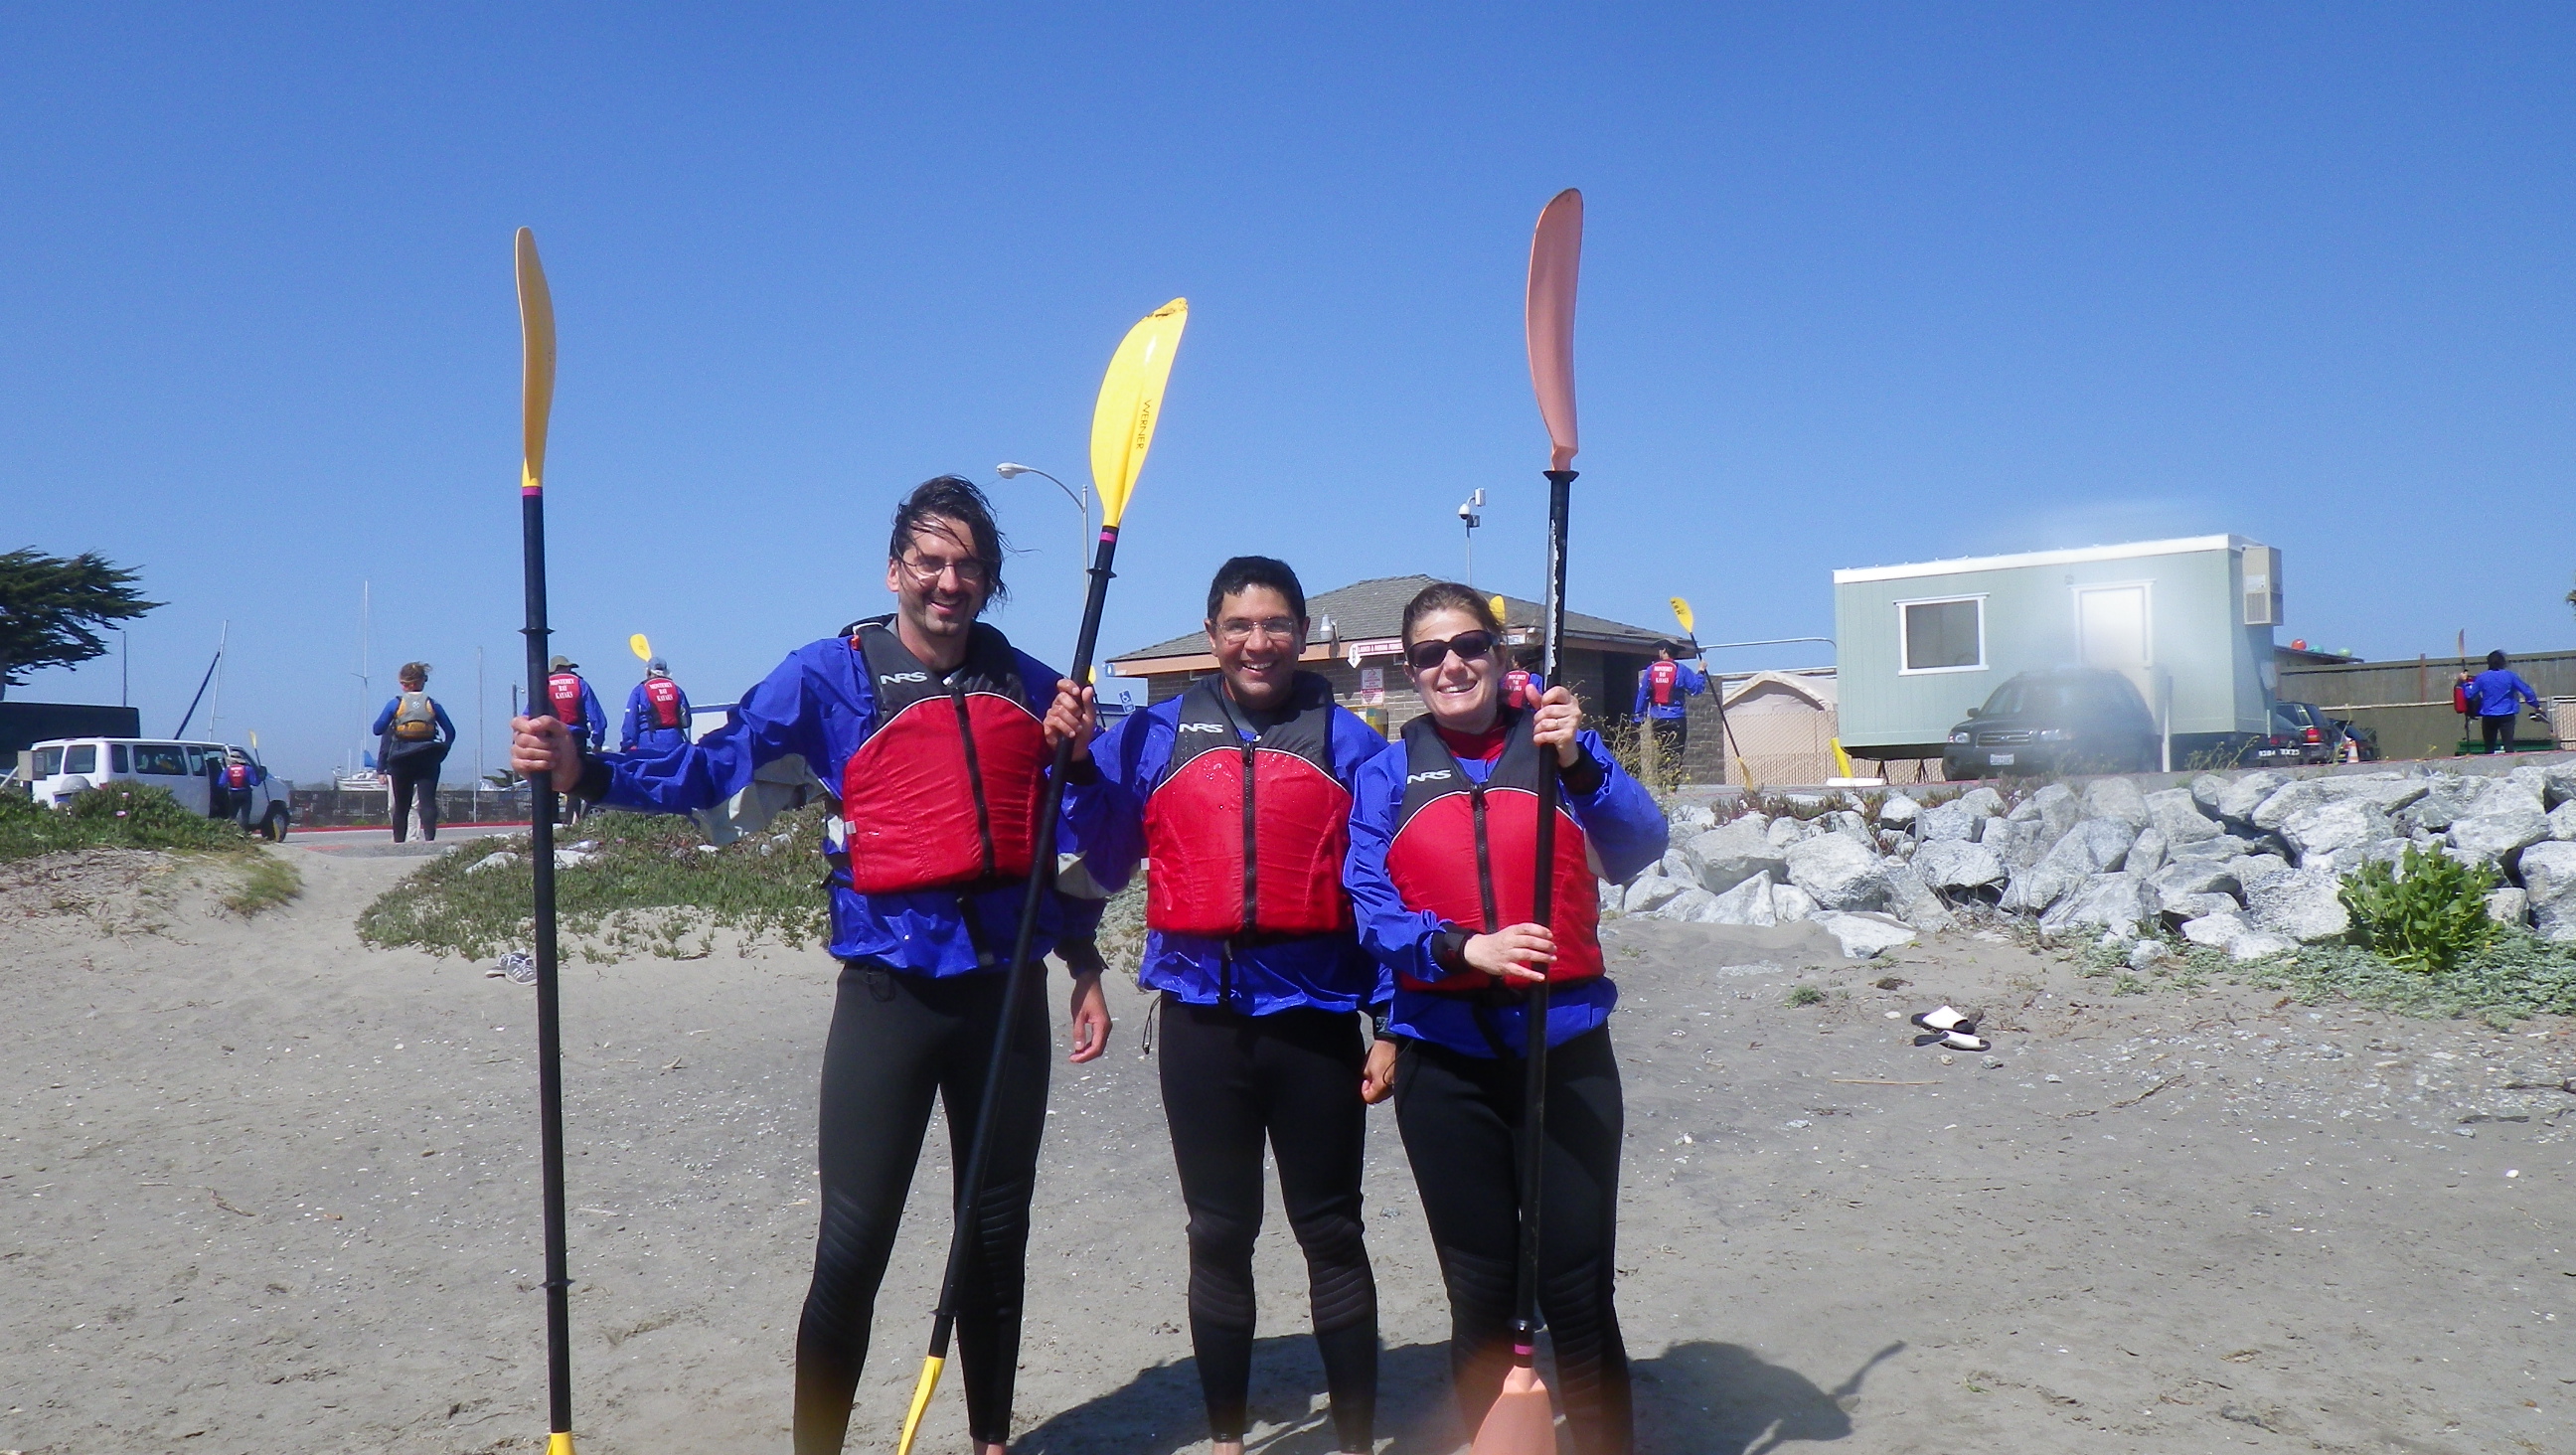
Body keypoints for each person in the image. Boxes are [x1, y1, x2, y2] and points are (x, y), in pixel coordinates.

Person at [510, 476, 1109, 1455]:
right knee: (852, 1249)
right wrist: (589, 771)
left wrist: (1077, 787)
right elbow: (716, 764)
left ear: (989, 580)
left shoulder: (1037, 686)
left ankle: (992, 1442)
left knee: (994, 1242)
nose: (948, 581)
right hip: (889, 995)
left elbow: (1067, 830)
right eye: (930, 561)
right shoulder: (829, 676)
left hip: (1007, 998)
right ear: (895, 570)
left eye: (968, 565)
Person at [1063, 556, 1391, 1455]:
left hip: (1316, 1019)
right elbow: (1102, 857)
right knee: (1218, 1233)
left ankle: (1356, 1439)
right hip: (1202, 1024)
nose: (1258, 642)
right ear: (1211, 637)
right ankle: (1224, 1439)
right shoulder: (1155, 736)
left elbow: (1380, 891)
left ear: (1304, 633)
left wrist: (1391, 1020)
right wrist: (1085, 764)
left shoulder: (1354, 744)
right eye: (1239, 626)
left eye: (1276, 624)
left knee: (1331, 1230)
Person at [1345, 583, 1667, 1455]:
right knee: (1481, 1296)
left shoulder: (1560, 746)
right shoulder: (1384, 775)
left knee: (1576, 1291)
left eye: (1468, 647)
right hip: (1447, 1068)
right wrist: (1462, 949)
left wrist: (1584, 766)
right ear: (1409, 670)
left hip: (1565, 1055)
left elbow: (1641, 845)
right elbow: (1368, 908)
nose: (1450, 664)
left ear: (1499, 655)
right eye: (1428, 654)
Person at [372, 662, 456, 842]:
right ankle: (430, 840)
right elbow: (450, 732)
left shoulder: (395, 704)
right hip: (428, 757)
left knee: (402, 806)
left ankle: (399, 842)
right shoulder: (432, 704)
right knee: (427, 802)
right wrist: (442, 753)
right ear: (423, 681)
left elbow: (377, 729)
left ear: (402, 684)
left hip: (401, 758)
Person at [1631, 639, 1705, 768]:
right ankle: (1672, 785)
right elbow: (1696, 689)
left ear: (1664, 651)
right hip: (1677, 717)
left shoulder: (1651, 670)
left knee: (1662, 751)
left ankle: (1662, 784)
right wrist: (1701, 671)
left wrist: (1639, 717)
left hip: (1658, 718)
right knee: (1676, 754)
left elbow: (1643, 694)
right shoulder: (1681, 670)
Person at [2462, 650, 2544, 755]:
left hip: (2489, 715)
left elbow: (2469, 694)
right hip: (2507, 714)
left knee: (2489, 747)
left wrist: (2465, 682)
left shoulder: (2482, 677)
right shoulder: (2510, 676)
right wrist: (2535, 705)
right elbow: (2527, 691)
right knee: (2509, 745)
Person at [621, 656, 694, 753]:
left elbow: (630, 719)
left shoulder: (639, 690)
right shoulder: (677, 689)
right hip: (674, 741)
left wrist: (628, 744)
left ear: (648, 672)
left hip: (648, 742)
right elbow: (686, 721)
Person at [545, 655, 607, 752]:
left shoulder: (545, 685)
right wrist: (598, 743)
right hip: (576, 739)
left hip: (552, 740)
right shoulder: (580, 683)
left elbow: (530, 714)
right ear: (567, 668)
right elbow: (596, 718)